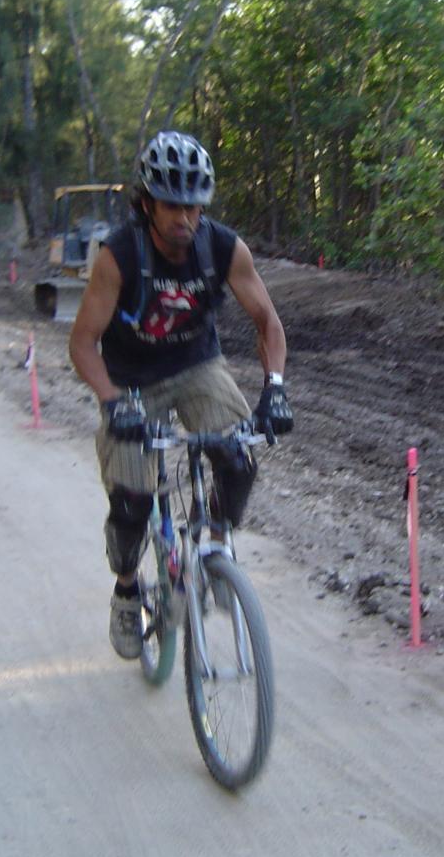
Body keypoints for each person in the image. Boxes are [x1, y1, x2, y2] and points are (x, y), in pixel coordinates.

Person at [68, 130, 293, 659]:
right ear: (146, 202)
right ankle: (127, 591)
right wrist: (111, 400)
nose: (185, 220)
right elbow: (81, 343)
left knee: (239, 455)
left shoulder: (222, 247)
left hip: (197, 365)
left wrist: (276, 390)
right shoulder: (118, 257)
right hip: (131, 379)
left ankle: (213, 540)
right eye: (172, 206)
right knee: (132, 500)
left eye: (194, 207)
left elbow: (267, 320)